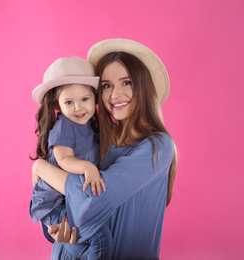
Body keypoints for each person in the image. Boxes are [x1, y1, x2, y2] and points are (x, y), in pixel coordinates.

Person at [32, 38, 177, 259]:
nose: (115, 94)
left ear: (143, 86)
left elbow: (93, 199)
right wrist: (57, 228)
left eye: (126, 82)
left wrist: (42, 169)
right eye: (107, 85)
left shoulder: (157, 146)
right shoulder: (100, 138)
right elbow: (69, 212)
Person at [29, 56, 112, 259]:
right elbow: (64, 160)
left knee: (90, 239)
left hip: (72, 198)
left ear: (94, 98)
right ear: (58, 105)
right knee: (97, 236)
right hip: (55, 202)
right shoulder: (64, 126)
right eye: (69, 102)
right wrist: (88, 168)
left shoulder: (93, 126)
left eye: (84, 99)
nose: (78, 108)